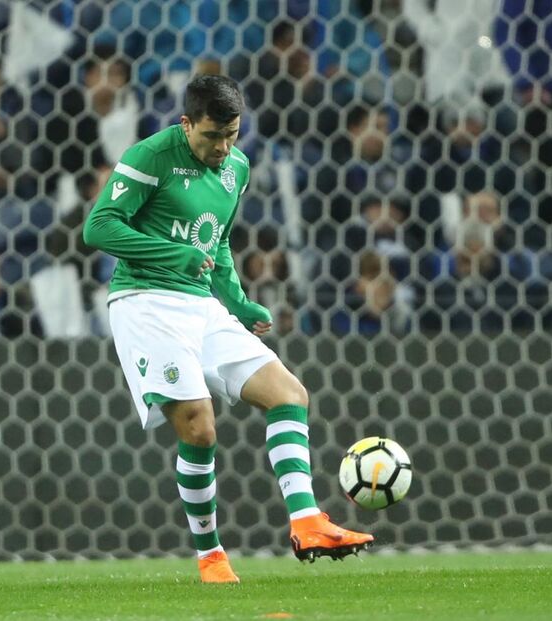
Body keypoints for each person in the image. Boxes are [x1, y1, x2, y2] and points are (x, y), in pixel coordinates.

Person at [82, 74, 373, 583]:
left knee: (288, 392)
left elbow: (214, 244)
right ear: (186, 123)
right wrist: (173, 254)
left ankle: (307, 521)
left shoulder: (236, 167)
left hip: (200, 305)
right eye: (211, 136)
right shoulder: (151, 156)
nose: (222, 147)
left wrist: (239, 302)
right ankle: (211, 555)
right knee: (199, 423)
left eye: (231, 134)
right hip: (145, 301)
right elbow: (99, 226)